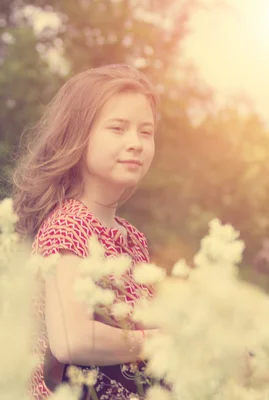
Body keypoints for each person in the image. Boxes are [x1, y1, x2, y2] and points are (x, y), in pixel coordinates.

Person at [11, 64, 160, 400]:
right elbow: (71, 340)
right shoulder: (71, 224)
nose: (135, 143)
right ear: (78, 135)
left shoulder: (132, 238)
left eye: (146, 132)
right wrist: (160, 341)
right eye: (118, 128)